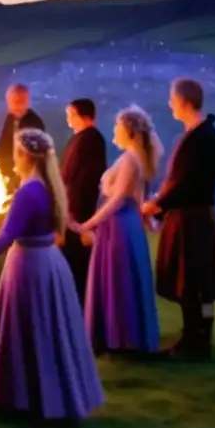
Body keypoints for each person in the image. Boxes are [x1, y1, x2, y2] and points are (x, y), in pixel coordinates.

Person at [0, 129, 103, 422]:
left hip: (29, 268)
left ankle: (22, 400)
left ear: (24, 155)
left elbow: (1, 241)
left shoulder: (29, 192)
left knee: (26, 329)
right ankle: (46, 397)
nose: (13, 158)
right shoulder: (49, 186)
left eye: (15, 152)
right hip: (49, 264)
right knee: (47, 332)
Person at [143, 78, 215, 360]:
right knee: (195, 282)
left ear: (185, 102)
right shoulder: (200, 134)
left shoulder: (202, 138)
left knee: (192, 281)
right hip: (189, 215)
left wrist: (157, 205)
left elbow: (186, 183)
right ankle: (197, 338)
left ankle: (195, 342)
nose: (170, 104)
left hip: (192, 219)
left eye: (172, 99)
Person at [76, 106, 162, 356]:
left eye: (118, 126)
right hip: (124, 225)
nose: (114, 130)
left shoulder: (129, 159)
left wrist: (89, 223)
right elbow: (137, 197)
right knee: (122, 278)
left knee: (118, 279)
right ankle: (121, 336)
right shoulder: (135, 157)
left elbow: (118, 200)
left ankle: (118, 338)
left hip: (119, 227)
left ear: (129, 131)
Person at [59, 98, 108, 305]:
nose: (68, 119)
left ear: (85, 116)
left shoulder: (92, 139)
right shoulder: (78, 139)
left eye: (71, 114)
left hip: (78, 212)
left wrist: (72, 209)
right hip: (69, 208)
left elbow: (86, 179)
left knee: (78, 261)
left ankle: (82, 306)